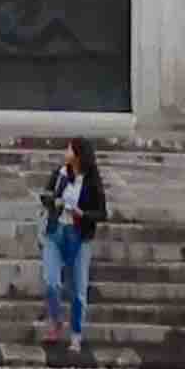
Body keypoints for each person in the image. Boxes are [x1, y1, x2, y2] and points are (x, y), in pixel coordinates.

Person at [38, 138, 108, 355]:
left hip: (78, 235)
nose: (66, 152)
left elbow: (102, 213)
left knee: (78, 289)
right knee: (52, 282)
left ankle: (76, 335)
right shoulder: (59, 174)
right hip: (56, 231)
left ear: (78, 155)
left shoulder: (91, 182)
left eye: (69, 149)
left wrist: (83, 214)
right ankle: (56, 321)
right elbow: (46, 195)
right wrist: (53, 202)